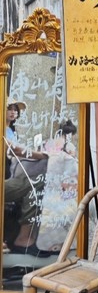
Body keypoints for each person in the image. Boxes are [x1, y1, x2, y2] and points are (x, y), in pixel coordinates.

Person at [4, 99, 50, 256]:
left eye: (15, 109)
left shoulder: (10, 130)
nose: (13, 112)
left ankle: (24, 237)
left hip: (8, 178)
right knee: (35, 184)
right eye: (9, 108)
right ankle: (24, 240)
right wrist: (43, 155)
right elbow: (14, 149)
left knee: (32, 182)